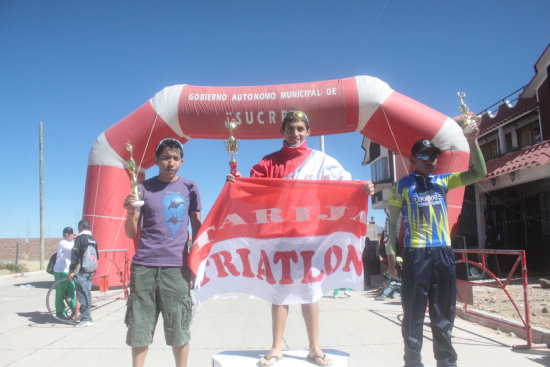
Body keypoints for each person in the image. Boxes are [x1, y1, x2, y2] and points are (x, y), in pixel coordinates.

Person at [227, 110, 375, 366]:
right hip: (278, 239)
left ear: (308, 132)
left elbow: (346, 185)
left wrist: (364, 188)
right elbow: (251, 187)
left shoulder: (321, 160)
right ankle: (275, 347)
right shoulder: (269, 162)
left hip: (311, 240)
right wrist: (237, 181)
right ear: (282, 132)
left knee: (311, 293)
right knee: (279, 294)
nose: (295, 133)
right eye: (290, 128)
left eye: (300, 129)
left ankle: (314, 348)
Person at [386, 127, 487, 367]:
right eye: (424, 156)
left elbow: (480, 172)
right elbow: (392, 222)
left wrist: (472, 140)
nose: (430, 160)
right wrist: (391, 254)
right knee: (413, 317)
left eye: (433, 156)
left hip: (443, 254)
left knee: (444, 318)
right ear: (412, 160)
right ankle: (412, 363)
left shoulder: (443, 180)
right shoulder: (401, 186)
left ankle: (447, 363)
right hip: (416, 255)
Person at [123, 138, 202, 367]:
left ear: (181, 161)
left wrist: (195, 263)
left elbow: (197, 228)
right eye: (166, 157)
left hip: (177, 269)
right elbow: (130, 233)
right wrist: (130, 212)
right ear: (156, 160)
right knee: (139, 327)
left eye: (175, 158)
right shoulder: (143, 188)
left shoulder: (190, 188)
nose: (171, 163)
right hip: (144, 267)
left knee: (179, 328)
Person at [68, 219, 98, 327]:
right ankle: (87, 317)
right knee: (87, 294)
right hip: (90, 270)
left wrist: (71, 271)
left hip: (81, 270)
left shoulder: (80, 238)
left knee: (81, 295)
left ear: (81, 226)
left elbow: (75, 255)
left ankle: (86, 319)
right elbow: (97, 255)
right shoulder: (93, 239)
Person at [53, 226, 76, 319]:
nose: (70, 235)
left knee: (71, 292)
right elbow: (73, 249)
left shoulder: (73, 242)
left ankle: (74, 311)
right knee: (60, 293)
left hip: (70, 271)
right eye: (68, 234)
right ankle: (60, 313)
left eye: (71, 234)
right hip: (61, 271)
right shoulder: (63, 243)